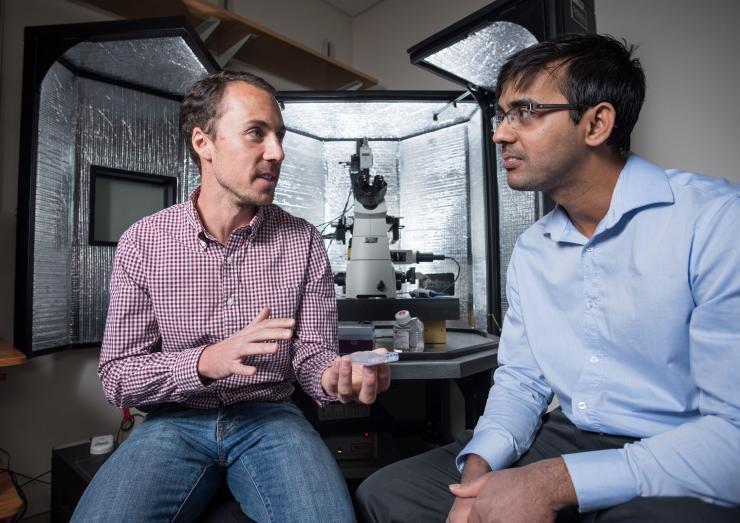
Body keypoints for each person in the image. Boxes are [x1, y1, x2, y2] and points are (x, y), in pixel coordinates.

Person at [356, 33, 740, 523]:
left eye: (525, 112)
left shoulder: (715, 223)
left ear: (597, 123)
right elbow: (520, 382)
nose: (500, 133)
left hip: (679, 445)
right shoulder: (534, 249)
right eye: (501, 115)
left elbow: (733, 434)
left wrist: (555, 482)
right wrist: (476, 477)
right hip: (566, 435)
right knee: (388, 494)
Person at [72, 70, 391, 523]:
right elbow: (119, 377)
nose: (276, 152)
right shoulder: (144, 242)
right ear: (204, 142)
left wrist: (336, 377)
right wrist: (205, 361)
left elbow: (313, 355)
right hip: (173, 423)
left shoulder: (302, 241)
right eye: (255, 134)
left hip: (272, 420)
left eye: (279, 136)